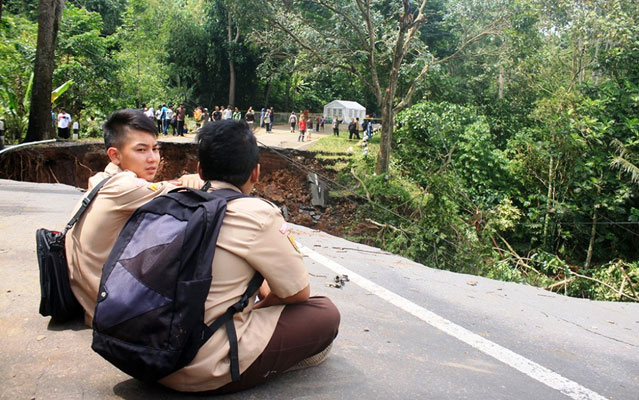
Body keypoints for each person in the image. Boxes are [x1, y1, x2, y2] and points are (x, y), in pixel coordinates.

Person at [158, 120, 340, 394]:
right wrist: (261, 305)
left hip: (148, 351)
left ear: (200, 170)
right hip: (196, 366)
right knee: (325, 313)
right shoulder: (257, 213)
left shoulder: (171, 201)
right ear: (256, 173)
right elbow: (297, 294)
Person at [65, 108, 203, 326]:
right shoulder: (124, 187)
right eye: (141, 150)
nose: (153, 158)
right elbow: (182, 192)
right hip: (110, 307)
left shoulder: (103, 179)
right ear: (115, 155)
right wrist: (192, 178)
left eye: (155, 149)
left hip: (91, 297)